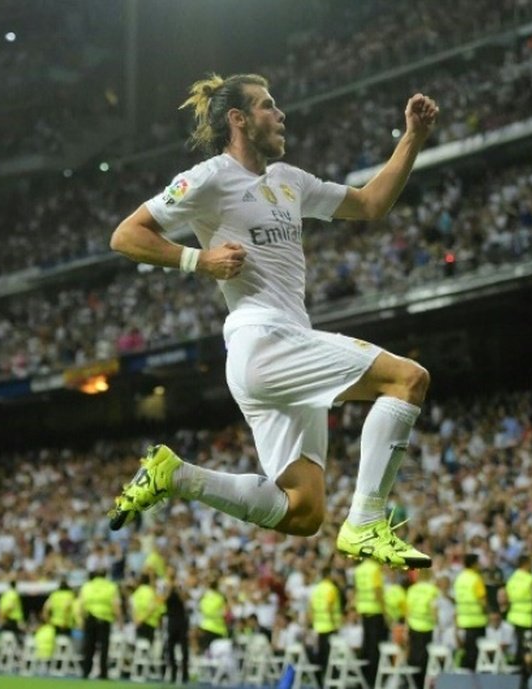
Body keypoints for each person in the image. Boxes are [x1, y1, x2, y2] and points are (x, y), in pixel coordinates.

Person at [106, 72, 439, 569]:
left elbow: (371, 204)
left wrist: (412, 138)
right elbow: (126, 236)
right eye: (267, 106)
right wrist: (200, 261)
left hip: (282, 348)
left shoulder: (290, 181)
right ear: (238, 120)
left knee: (302, 512)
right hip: (260, 338)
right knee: (407, 379)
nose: (280, 114)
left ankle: (175, 476)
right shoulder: (209, 177)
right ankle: (368, 520)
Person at [78, 568, 121, 680]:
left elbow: (81, 605)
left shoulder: (87, 586)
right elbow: (116, 605)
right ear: (106, 575)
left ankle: (86, 672)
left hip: (90, 619)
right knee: (104, 648)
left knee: (89, 647)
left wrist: (82, 620)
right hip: (104, 620)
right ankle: (103, 673)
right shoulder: (111, 586)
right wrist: (119, 620)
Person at [354, 557, 387, 686]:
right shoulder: (375, 570)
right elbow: (377, 591)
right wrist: (385, 612)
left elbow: (358, 590)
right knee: (374, 647)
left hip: (363, 610)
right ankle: (373, 680)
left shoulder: (359, 570)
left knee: (366, 645)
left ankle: (364, 678)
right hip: (375, 611)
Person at [406, 568, 440, 689]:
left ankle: (414, 684)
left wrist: (407, 627)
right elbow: (434, 609)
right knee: (426, 659)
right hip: (427, 627)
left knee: (414, 658)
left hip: (413, 626)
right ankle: (425, 684)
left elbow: (408, 611)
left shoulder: (412, 590)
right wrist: (439, 625)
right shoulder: (433, 590)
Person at [309, 565, 342, 687]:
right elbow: (329, 606)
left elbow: (311, 608)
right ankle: (332, 682)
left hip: (318, 626)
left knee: (320, 657)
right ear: (328, 575)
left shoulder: (316, 589)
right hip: (329, 627)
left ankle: (320, 682)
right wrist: (335, 624)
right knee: (331, 658)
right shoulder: (331, 589)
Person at [454, 553, 487, 670]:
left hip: (463, 620)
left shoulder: (459, 578)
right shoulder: (476, 579)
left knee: (467, 652)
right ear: (474, 564)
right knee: (476, 655)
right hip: (476, 621)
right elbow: (482, 601)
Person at [504, 555, 532, 662]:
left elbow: (507, 597)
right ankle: (524, 669)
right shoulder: (531, 579)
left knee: (518, 644)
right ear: (526, 564)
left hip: (513, 616)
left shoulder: (511, 579)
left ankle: (516, 665)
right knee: (526, 647)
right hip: (527, 618)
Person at [164, 580, 190, 684]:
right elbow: (163, 599)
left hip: (181, 622)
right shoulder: (168, 593)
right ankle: (173, 673)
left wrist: (180, 590)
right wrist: (169, 589)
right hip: (172, 622)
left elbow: (185, 601)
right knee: (170, 648)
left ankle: (184, 674)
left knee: (184, 649)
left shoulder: (181, 593)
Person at [198, 575, 229, 652]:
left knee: (207, 652)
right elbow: (225, 613)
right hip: (219, 628)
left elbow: (201, 609)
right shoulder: (221, 598)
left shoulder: (203, 597)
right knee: (219, 653)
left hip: (206, 626)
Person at [131, 574, 163, 642]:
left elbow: (134, 608)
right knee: (149, 647)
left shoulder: (137, 592)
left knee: (140, 646)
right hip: (151, 623)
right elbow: (152, 608)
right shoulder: (152, 592)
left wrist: (137, 620)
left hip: (139, 623)